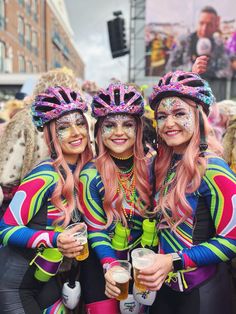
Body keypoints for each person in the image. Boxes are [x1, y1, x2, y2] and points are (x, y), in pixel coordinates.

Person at [131, 71, 236, 314]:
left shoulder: (213, 169)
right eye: (162, 116)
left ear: (199, 117)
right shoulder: (157, 165)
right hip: (161, 291)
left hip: (201, 294)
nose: (169, 124)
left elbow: (232, 240)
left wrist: (173, 260)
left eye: (179, 113)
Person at [0, 86, 93, 313]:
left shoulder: (82, 170)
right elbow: (6, 229)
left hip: (45, 280)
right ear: (51, 134)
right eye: (64, 127)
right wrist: (55, 239)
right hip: (13, 287)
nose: (75, 132)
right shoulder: (45, 176)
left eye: (79, 123)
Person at [79, 82, 155, 313]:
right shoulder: (90, 174)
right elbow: (96, 229)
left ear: (139, 129)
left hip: (143, 264)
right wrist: (110, 267)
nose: (119, 132)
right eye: (110, 125)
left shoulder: (154, 165)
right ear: (99, 131)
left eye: (127, 125)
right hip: (103, 263)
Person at [0, 67, 82, 218]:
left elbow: (6, 175)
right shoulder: (83, 118)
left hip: (32, 205)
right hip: (77, 203)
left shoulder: (24, 118)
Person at [166, 6, 230, 79]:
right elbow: (169, 69)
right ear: (197, 23)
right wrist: (190, 72)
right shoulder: (183, 41)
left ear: (215, 26)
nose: (204, 28)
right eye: (201, 23)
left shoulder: (219, 45)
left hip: (210, 88)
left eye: (209, 25)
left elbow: (226, 71)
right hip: (185, 89)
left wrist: (207, 73)